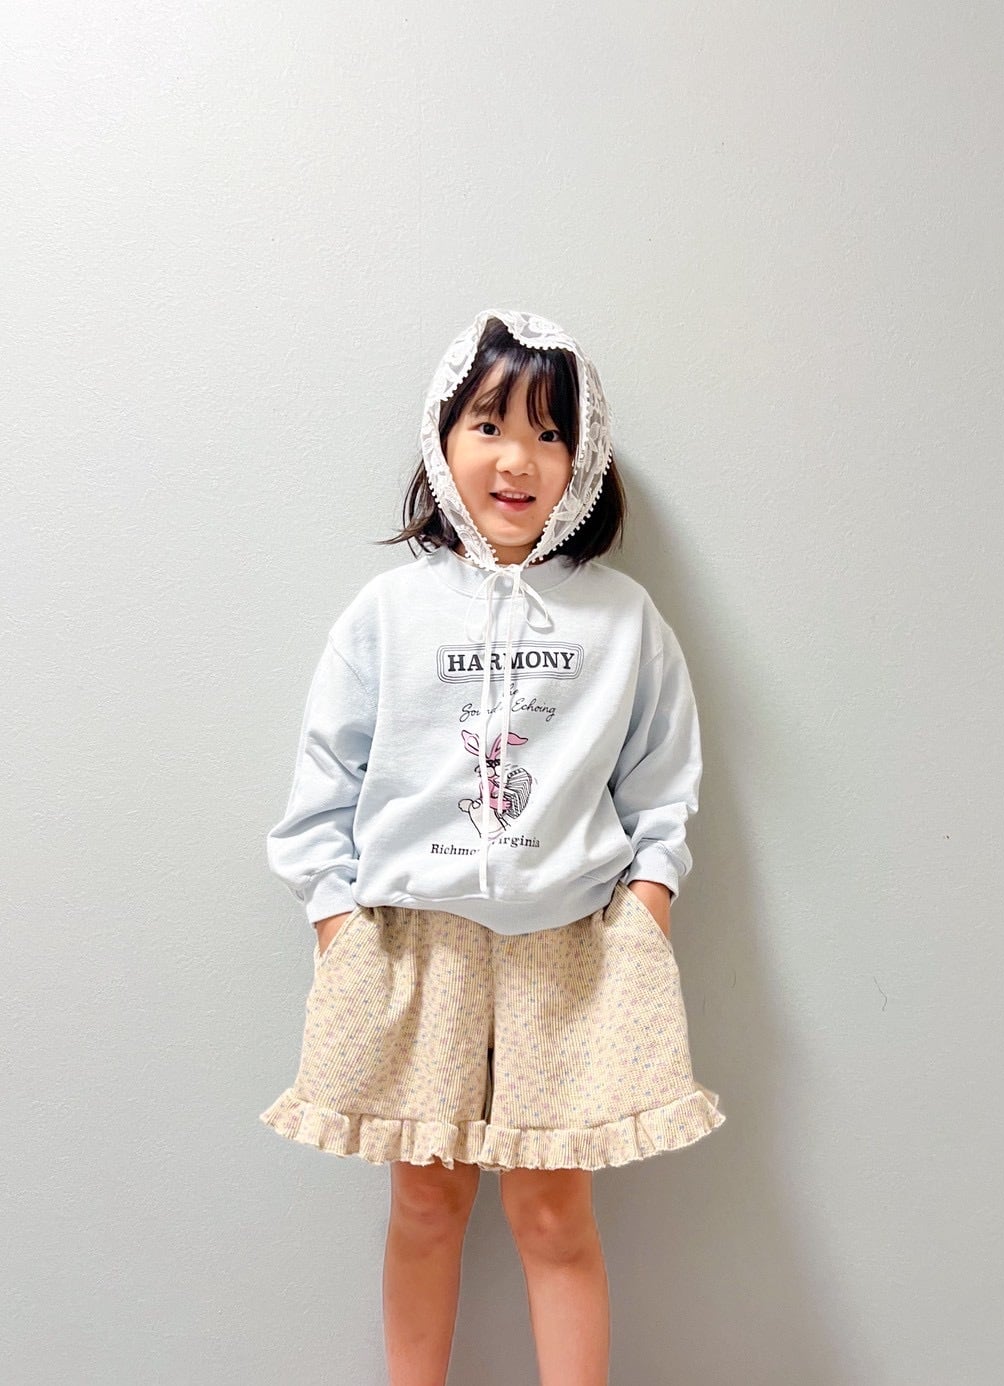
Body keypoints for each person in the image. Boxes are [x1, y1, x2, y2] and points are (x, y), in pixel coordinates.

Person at [259, 308, 726, 1386]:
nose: (517, 460)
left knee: (552, 1209)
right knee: (426, 1199)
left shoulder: (623, 619)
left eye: (550, 434)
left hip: (571, 951)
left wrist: (645, 907)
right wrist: (338, 923)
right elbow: (322, 785)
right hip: (412, 944)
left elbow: (663, 787)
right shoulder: (387, 613)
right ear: (442, 440)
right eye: (488, 425)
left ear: (584, 460)